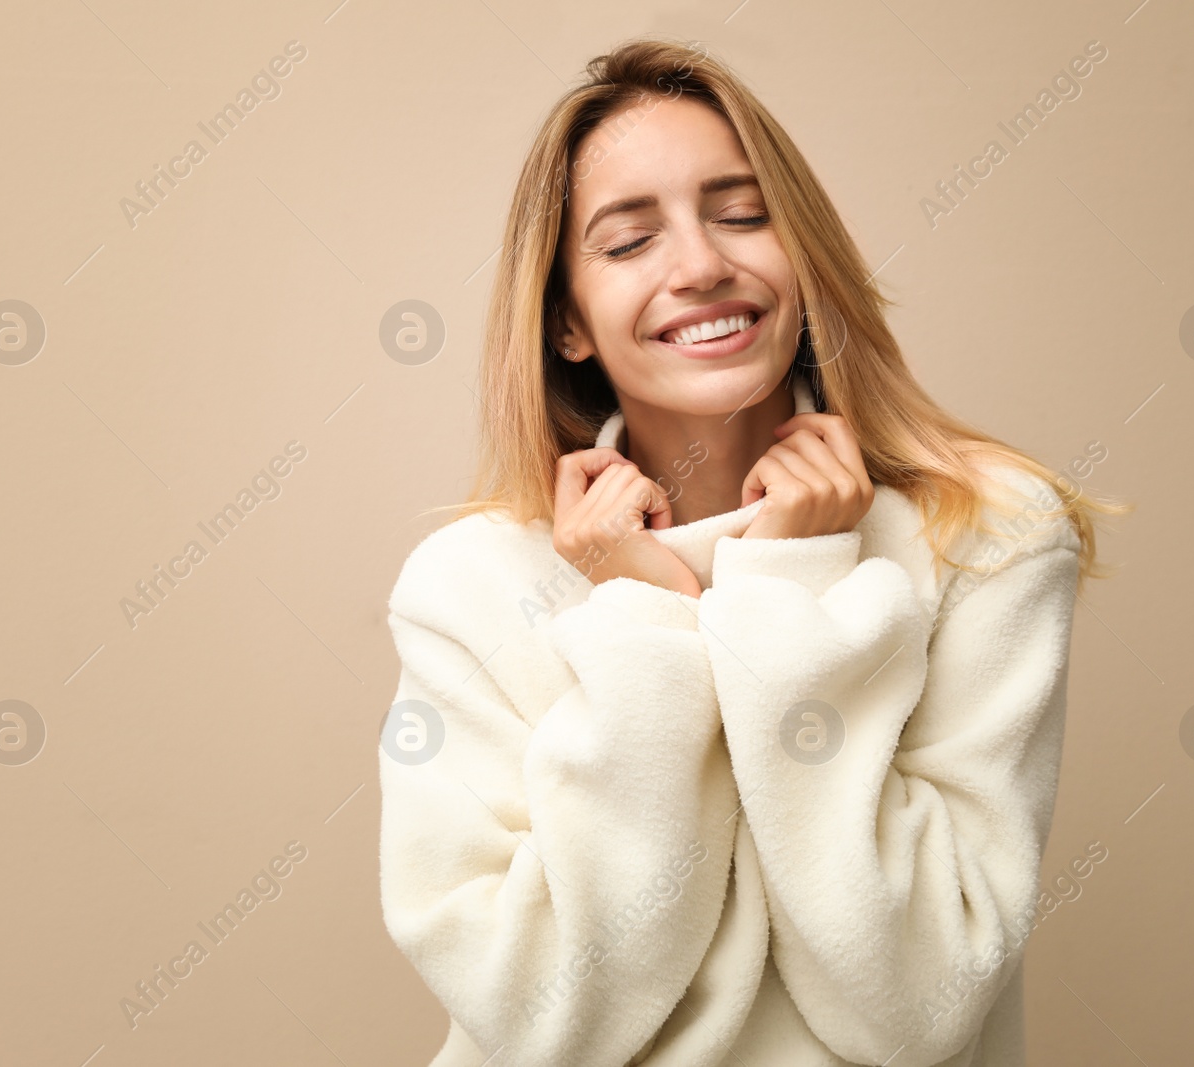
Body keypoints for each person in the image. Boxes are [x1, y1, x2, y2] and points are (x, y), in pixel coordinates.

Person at [377, 36, 1129, 1067]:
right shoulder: (469, 586)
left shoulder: (985, 534)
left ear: (805, 255)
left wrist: (792, 588)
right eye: (628, 241)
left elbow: (914, 1007)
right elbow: (556, 1021)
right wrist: (640, 622)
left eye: (741, 214)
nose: (701, 265)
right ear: (566, 322)